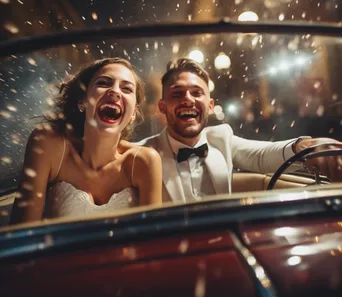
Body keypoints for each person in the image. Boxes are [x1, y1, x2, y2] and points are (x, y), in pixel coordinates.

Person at [137, 58, 342, 203]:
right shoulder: (141, 154)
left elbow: (263, 155)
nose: (188, 99)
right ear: (162, 107)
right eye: (177, 93)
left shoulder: (221, 138)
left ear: (209, 105)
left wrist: (303, 147)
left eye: (196, 93)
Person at [11, 58, 162, 223]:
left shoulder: (144, 161)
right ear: (82, 100)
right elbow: (23, 230)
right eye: (104, 83)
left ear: (133, 113)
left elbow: (151, 238)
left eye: (126, 88)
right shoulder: (47, 143)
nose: (115, 91)